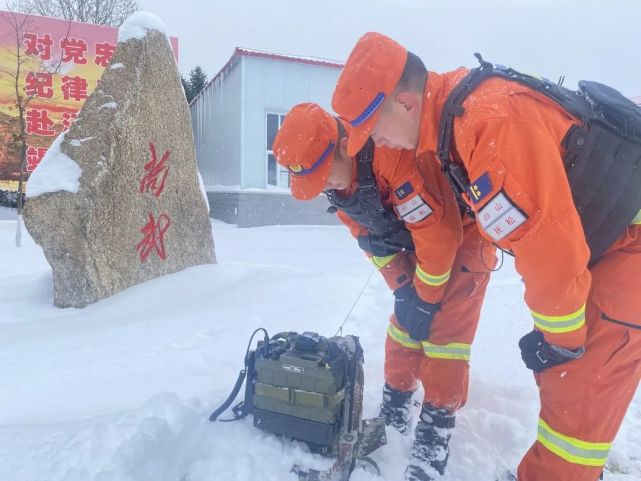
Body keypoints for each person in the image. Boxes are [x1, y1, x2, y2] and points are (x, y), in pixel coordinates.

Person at [331, 31, 641, 481]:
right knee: (565, 384)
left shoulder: (487, 125)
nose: (381, 144)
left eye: (376, 130)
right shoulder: (458, 117)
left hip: (627, 251)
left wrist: (562, 339)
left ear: (405, 102)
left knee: (578, 404)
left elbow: (549, 248)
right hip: (603, 241)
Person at [272, 102, 497, 481]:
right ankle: (396, 405)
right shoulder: (343, 191)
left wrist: (426, 299)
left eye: (324, 177)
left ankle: (434, 434)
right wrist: (405, 289)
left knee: (445, 335)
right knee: (403, 326)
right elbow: (370, 240)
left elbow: (440, 239)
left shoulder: (390, 155)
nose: (326, 187)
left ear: (342, 146)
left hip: (462, 238)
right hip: (415, 241)